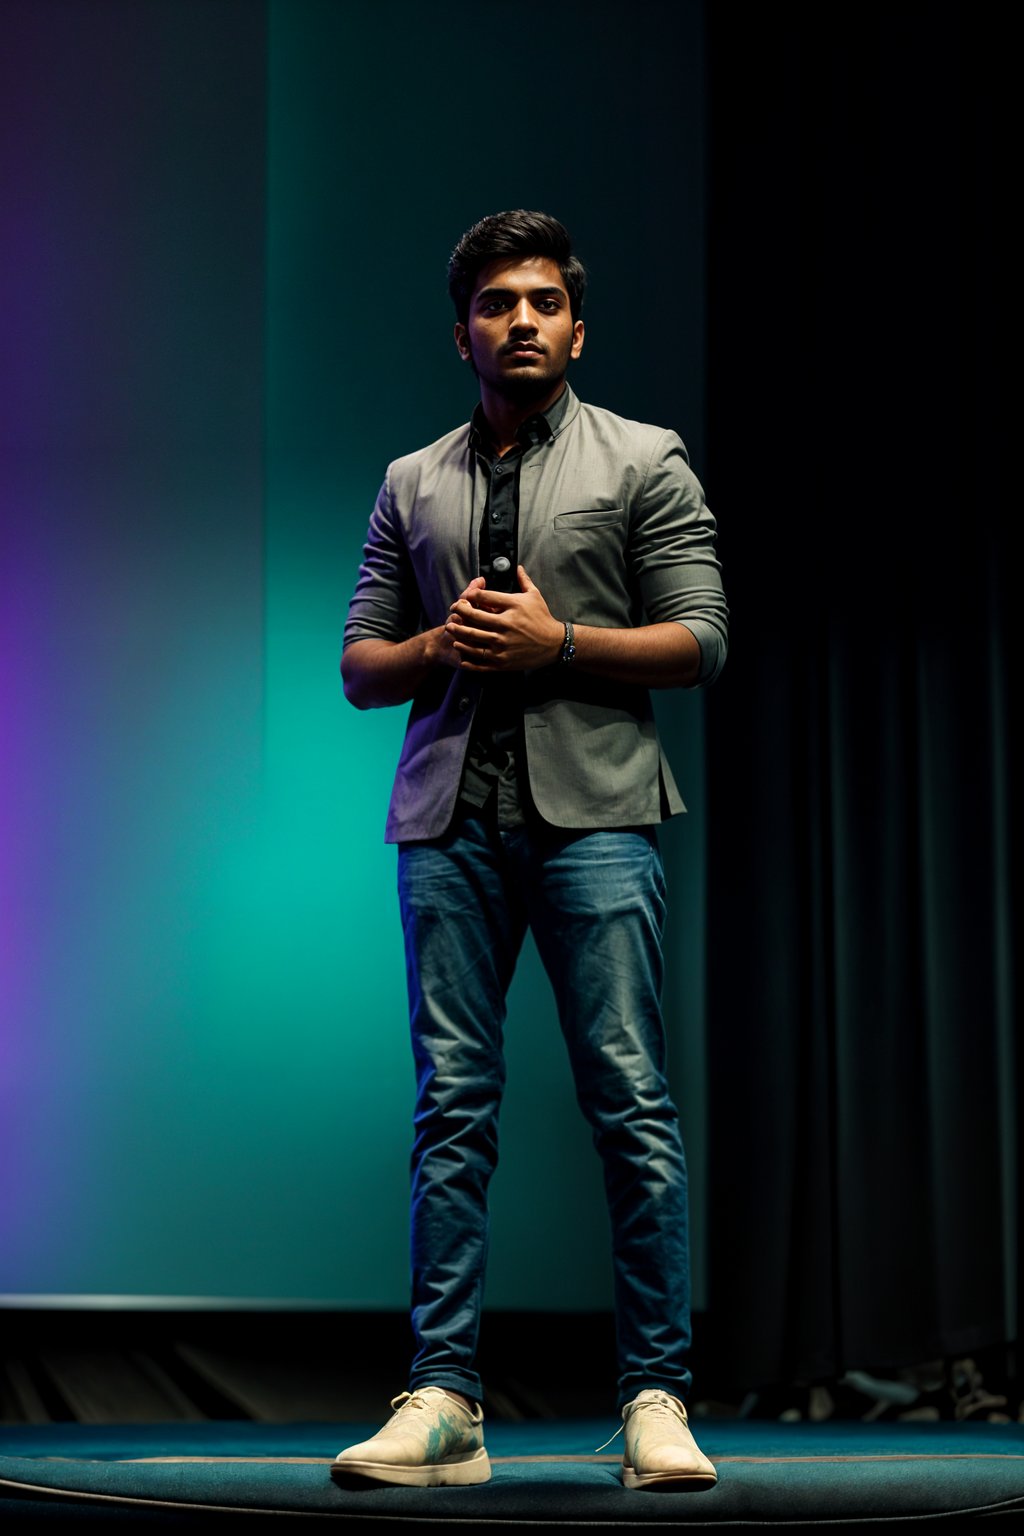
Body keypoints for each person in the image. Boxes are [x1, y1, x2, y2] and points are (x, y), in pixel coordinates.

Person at [332, 210, 727, 1493]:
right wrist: (442, 649)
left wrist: (558, 643)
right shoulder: (411, 479)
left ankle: (656, 1398)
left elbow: (701, 640)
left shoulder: (644, 459)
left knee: (631, 1108)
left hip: (598, 824)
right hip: (450, 828)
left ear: (574, 326)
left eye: (544, 301)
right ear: (463, 334)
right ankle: (444, 1401)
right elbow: (357, 666)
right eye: (498, 302)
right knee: (453, 1112)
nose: (522, 320)